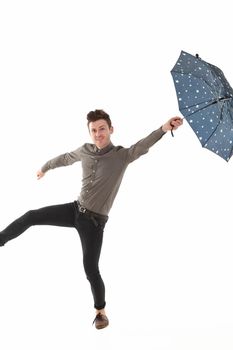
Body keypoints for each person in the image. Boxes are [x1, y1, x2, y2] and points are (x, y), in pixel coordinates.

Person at [0, 109, 183, 329]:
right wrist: (44, 168)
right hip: (75, 210)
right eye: (94, 130)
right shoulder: (85, 150)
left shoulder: (122, 155)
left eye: (102, 129)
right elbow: (65, 158)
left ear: (111, 129)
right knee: (31, 216)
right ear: (90, 132)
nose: (98, 134)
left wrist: (164, 128)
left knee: (90, 268)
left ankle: (100, 312)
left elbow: (142, 145)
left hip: (94, 224)